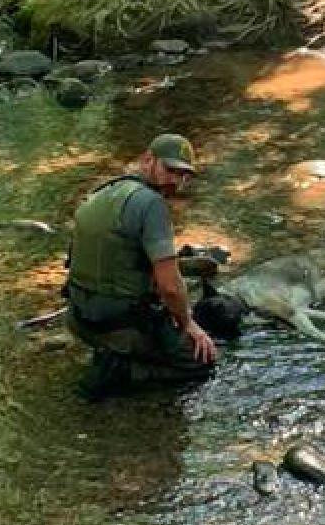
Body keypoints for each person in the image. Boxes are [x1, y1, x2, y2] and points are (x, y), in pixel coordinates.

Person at [64, 133, 217, 400]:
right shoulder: (152, 204)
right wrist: (188, 324)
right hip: (119, 325)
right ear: (148, 160)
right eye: (170, 170)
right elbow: (170, 288)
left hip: (79, 318)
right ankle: (124, 370)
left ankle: (113, 353)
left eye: (183, 175)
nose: (176, 181)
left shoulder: (102, 193)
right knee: (201, 361)